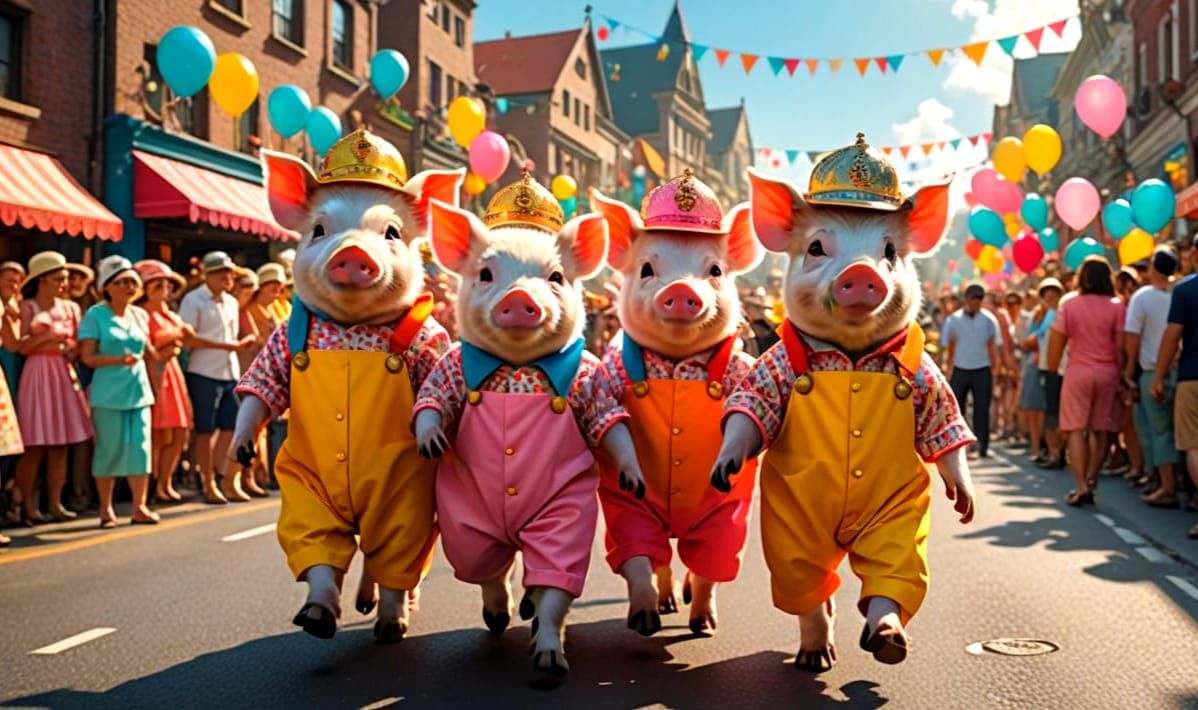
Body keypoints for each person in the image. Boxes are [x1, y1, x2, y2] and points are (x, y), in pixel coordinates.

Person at [13, 252, 93, 525]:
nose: (65, 283)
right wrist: (47, 337)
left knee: (61, 444)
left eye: (66, 278)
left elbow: (79, 345)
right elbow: (20, 346)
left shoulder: (71, 308)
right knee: (35, 444)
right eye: (59, 278)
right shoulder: (27, 307)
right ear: (43, 280)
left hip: (63, 372)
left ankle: (55, 503)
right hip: (37, 374)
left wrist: (67, 346)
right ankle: (27, 505)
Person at [78, 256, 158, 529]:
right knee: (108, 450)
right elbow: (87, 357)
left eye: (132, 281)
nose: (128, 286)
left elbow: (148, 351)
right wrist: (116, 360)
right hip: (108, 394)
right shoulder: (95, 315)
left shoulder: (140, 314)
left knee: (140, 449)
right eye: (121, 281)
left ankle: (139, 507)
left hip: (139, 391)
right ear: (107, 287)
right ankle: (106, 509)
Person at [178, 251, 255, 504]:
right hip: (203, 372)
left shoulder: (231, 303)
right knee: (205, 430)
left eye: (229, 272)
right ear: (207, 276)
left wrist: (234, 348)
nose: (227, 277)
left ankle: (223, 479)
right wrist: (230, 347)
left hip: (228, 372)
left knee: (230, 427)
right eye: (221, 273)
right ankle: (207, 482)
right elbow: (188, 338)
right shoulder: (193, 300)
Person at [1047, 257, 1126, 507]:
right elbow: (1121, 345)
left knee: (1075, 429)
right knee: (1100, 428)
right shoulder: (1117, 305)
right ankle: (1092, 479)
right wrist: (1123, 373)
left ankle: (1080, 486)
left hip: (1078, 371)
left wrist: (1052, 368)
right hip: (1107, 372)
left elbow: (1056, 342)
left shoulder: (1069, 304)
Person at [1124, 247, 1181, 507]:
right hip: (1181, 370)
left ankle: (1165, 485)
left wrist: (1128, 371)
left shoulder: (1142, 297)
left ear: (1153, 269)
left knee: (1156, 431)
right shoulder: (1179, 293)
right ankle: (1177, 484)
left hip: (1151, 371)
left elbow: (1132, 338)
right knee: (1180, 432)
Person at [135, 260, 194, 504]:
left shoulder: (169, 314)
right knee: (160, 434)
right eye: (156, 284)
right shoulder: (142, 315)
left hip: (172, 373)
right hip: (155, 373)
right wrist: (169, 344)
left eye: (166, 284)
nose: (164, 288)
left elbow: (186, 338)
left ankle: (166, 482)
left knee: (180, 431)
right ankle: (151, 487)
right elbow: (148, 348)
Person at [1151, 234, 1198, 539]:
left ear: (1194, 253)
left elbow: (1172, 337)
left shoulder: (1184, 290)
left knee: (1194, 444)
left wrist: (1158, 376)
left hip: (1191, 376)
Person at [942, 283, 1001, 458]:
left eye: (979, 298)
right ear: (966, 299)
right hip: (960, 368)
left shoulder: (989, 320)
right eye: (973, 297)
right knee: (957, 409)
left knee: (982, 408)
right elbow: (950, 346)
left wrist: (996, 367)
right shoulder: (954, 320)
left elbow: (992, 346)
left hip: (982, 368)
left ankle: (982, 445)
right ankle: (959, 444)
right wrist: (948, 369)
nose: (975, 301)